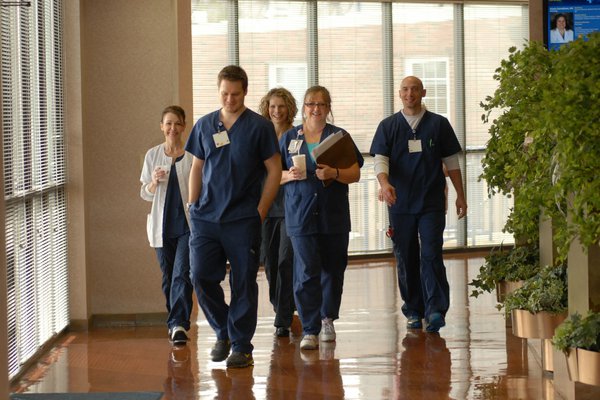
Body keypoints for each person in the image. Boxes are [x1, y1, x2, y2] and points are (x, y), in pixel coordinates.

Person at [185, 65, 282, 368]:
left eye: (235, 94)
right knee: (199, 275)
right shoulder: (204, 125)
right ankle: (223, 329)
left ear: (245, 92)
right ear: (219, 91)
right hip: (205, 218)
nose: (229, 99)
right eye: (224, 94)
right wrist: (192, 206)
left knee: (243, 282)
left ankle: (241, 345)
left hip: (243, 219)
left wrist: (262, 210)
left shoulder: (258, 127)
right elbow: (197, 168)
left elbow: (274, 169)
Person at [369, 76, 467, 333]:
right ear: (399, 94)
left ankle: (435, 310)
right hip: (400, 203)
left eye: (414, 89)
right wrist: (384, 183)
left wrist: (461, 195)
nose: (409, 93)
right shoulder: (388, 126)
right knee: (406, 256)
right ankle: (413, 309)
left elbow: (452, 163)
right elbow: (380, 159)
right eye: (405, 89)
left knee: (431, 253)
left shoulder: (438, 124)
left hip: (431, 202)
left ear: (423, 92)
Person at [279, 85, 364, 351]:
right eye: (310, 104)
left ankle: (328, 318)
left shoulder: (339, 137)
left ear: (329, 108)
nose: (316, 109)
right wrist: (288, 175)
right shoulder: (289, 138)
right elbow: (272, 174)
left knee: (333, 268)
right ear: (303, 107)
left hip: (332, 215)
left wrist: (335, 173)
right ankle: (310, 327)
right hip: (300, 214)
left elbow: (355, 172)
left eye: (321, 104)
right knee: (305, 271)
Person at [140, 105, 194, 346]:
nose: (173, 128)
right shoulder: (152, 155)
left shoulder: (192, 155)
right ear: (162, 127)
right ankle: (175, 321)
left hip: (187, 227)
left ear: (183, 126)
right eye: (168, 123)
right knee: (168, 277)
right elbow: (145, 194)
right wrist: (153, 182)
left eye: (177, 123)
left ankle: (179, 324)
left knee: (182, 274)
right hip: (161, 227)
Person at [258, 88, 298, 338]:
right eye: (272, 106)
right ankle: (281, 306)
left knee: (286, 260)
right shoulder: (261, 136)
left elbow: (300, 169)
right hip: (265, 207)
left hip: (290, 208)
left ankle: (283, 317)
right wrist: (281, 177)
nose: (276, 111)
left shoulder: (296, 135)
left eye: (281, 106)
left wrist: (280, 177)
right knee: (270, 262)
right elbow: (258, 174)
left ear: (289, 108)